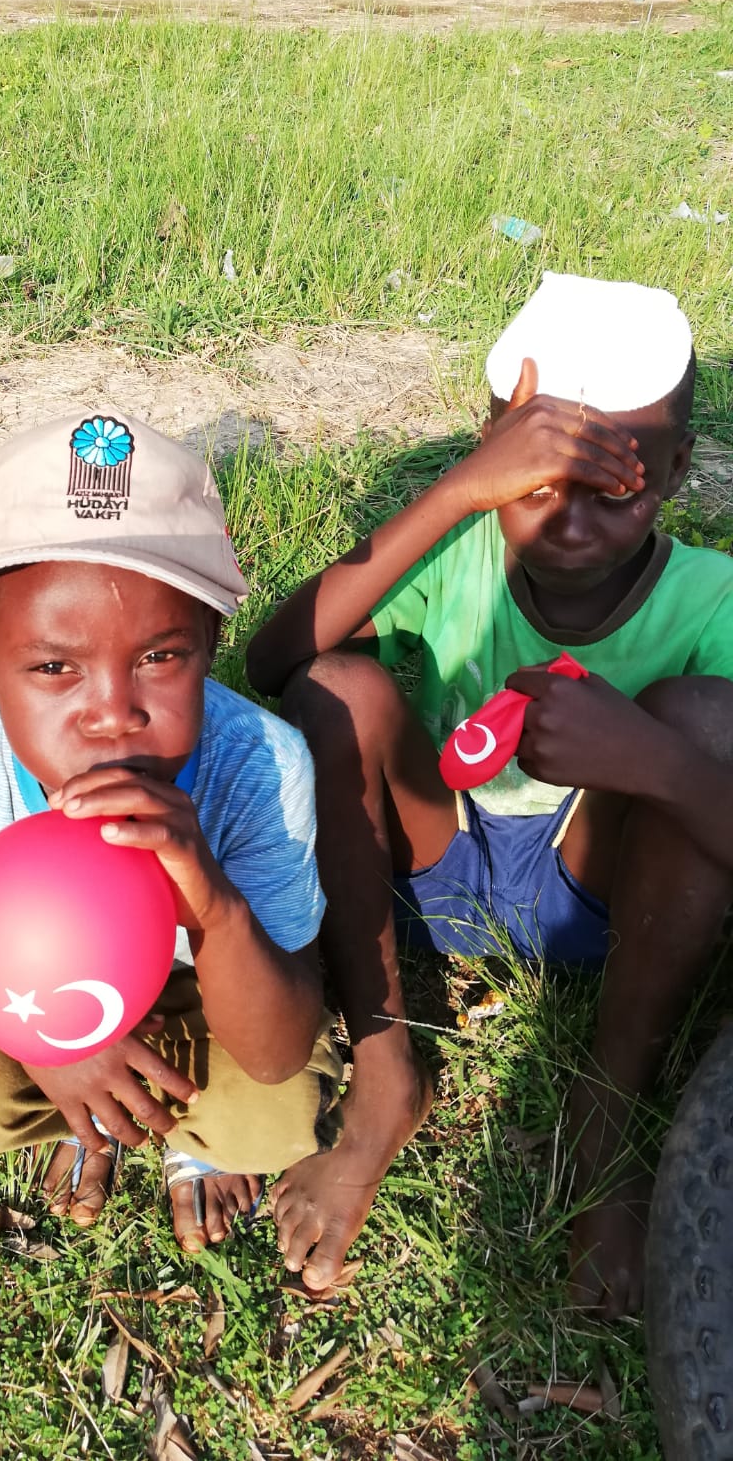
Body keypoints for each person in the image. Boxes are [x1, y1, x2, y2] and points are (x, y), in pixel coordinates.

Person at [246, 272, 733, 1318]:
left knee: (703, 720)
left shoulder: (714, 601)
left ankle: (608, 1114)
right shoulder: (460, 546)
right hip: (436, 871)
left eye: (620, 486)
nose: (569, 520)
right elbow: (275, 658)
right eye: (534, 480)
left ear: (680, 471)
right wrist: (459, 493)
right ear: (490, 449)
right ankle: (384, 1084)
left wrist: (645, 756)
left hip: (606, 890)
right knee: (339, 687)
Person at [0, 411, 342, 1254]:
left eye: (161, 657)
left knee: (270, 1115)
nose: (113, 713)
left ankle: (191, 1147)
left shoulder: (262, 768)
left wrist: (210, 894)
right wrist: (44, 1043)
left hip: (207, 1000)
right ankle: (76, 1114)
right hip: (21, 999)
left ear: (210, 641)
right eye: (54, 667)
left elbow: (274, 1050)